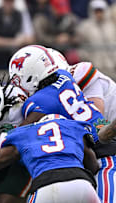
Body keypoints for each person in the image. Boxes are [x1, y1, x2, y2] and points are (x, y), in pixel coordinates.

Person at [8, 45, 116, 202]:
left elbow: (19, 135)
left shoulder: (39, 103)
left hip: (104, 156)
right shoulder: (66, 76)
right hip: (92, 154)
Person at [0, 114, 100, 203]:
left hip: (47, 186)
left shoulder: (26, 133)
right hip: (81, 183)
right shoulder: (74, 126)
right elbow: (92, 164)